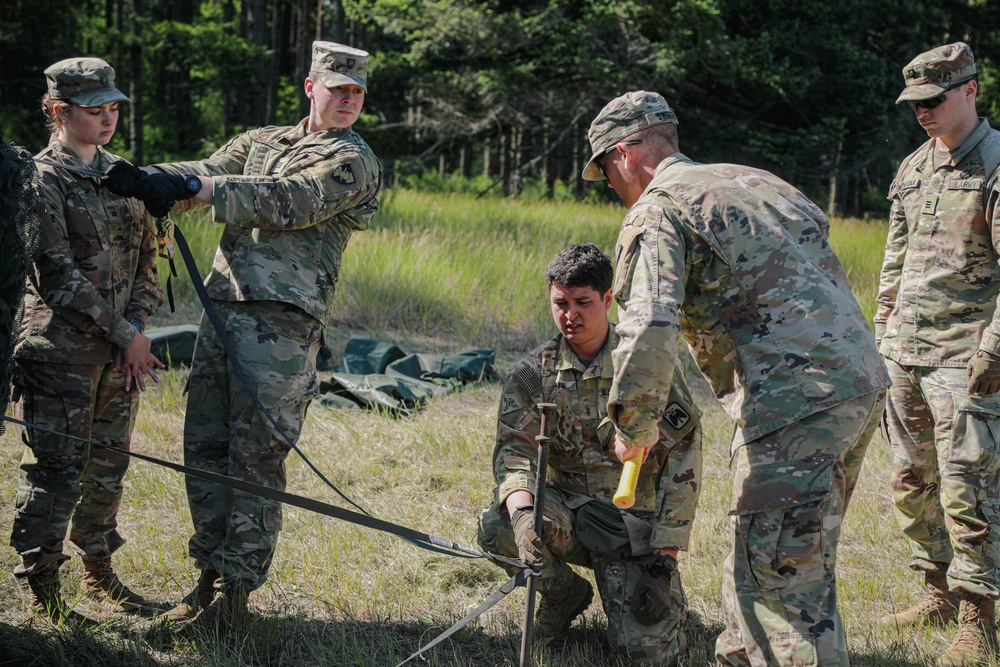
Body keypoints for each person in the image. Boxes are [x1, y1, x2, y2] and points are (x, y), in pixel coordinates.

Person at [583, 91, 889, 667]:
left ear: (624, 154)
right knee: (784, 557)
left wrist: (635, 424)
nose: (611, 189)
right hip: (857, 384)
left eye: (606, 174)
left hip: (791, 401)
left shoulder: (657, 209)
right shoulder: (759, 181)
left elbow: (649, 325)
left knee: (779, 585)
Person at [107, 41, 382, 633]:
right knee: (204, 448)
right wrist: (145, 177)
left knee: (255, 459)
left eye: (357, 93)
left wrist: (197, 189)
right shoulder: (263, 141)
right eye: (338, 89)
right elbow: (208, 170)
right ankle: (206, 580)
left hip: (282, 328)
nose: (348, 101)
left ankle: (235, 598)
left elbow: (288, 201)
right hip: (223, 310)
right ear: (311, 86)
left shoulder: (353, 159)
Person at [477, 243, 702, 666]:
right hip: (569, 515)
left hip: (633, 529)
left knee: (647, 654)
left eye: (583, 302)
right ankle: (564, 595)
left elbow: (684, 458)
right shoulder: (532, 374)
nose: (570, 315)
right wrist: (524, 516)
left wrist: (665, 559)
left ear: (608, 299)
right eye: (560, 303)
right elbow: (514, 453)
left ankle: (666, 606)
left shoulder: (644, 369)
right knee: (500, 525)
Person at [9, 57, 164, 623]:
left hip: (122, 356)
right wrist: (127, 334)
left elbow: (151, 257)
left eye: (113, 107)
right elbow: (55, 276)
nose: (108, 118)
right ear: (57, 111)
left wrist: (136, 332)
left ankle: (99, 572)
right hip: (61, 355)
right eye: (94, 109)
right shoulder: (39, 179)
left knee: (108, 466)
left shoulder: (125, 175)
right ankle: (42, 586)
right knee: (56, 470)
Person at [875, 42, 1000, 667]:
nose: (922, 112)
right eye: (915, 103)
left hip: (967, 359)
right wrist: (881, 337)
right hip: (906, 354)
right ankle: (936, 590)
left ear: (971, 90)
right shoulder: (914, 168)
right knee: (910, 481)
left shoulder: (996, 166)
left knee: (967, 489)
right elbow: (894, 265)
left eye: (934, 100)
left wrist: (994, 350)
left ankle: (979, 620)